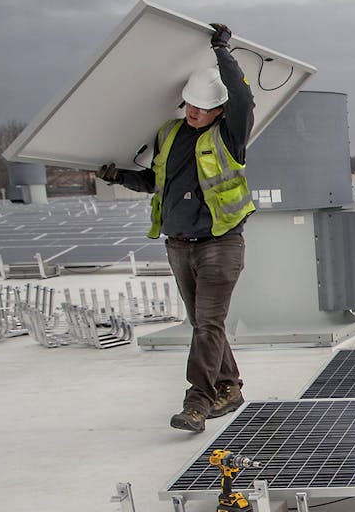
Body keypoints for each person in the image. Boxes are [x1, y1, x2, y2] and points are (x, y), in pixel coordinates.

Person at [98, 23, 255, 433]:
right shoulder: (169, 134)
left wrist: (223, 50)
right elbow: (156, 182)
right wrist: (119, 177)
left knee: (206, 324)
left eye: (203, 107)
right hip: (179, 245)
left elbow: (243, 97)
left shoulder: (230, 136)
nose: (194, 112)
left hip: (220, 243)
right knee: (204, 324)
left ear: (219, 110)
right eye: (189, 105)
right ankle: (229, 387)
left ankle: (197, 402)